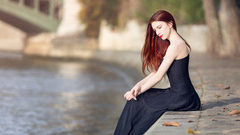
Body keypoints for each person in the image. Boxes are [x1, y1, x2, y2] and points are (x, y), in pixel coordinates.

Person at [113, 10, 201, 135]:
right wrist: (137, 86)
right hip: (180, 94)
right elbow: (156, 72)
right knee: (137, 99)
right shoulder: (174, 44)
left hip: (183, 97)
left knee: (137, 100)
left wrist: (137, 92)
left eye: (160, 27)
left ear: (170, 24)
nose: (158, 32)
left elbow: (158, 77)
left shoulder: (176, 46)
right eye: (155, 30)